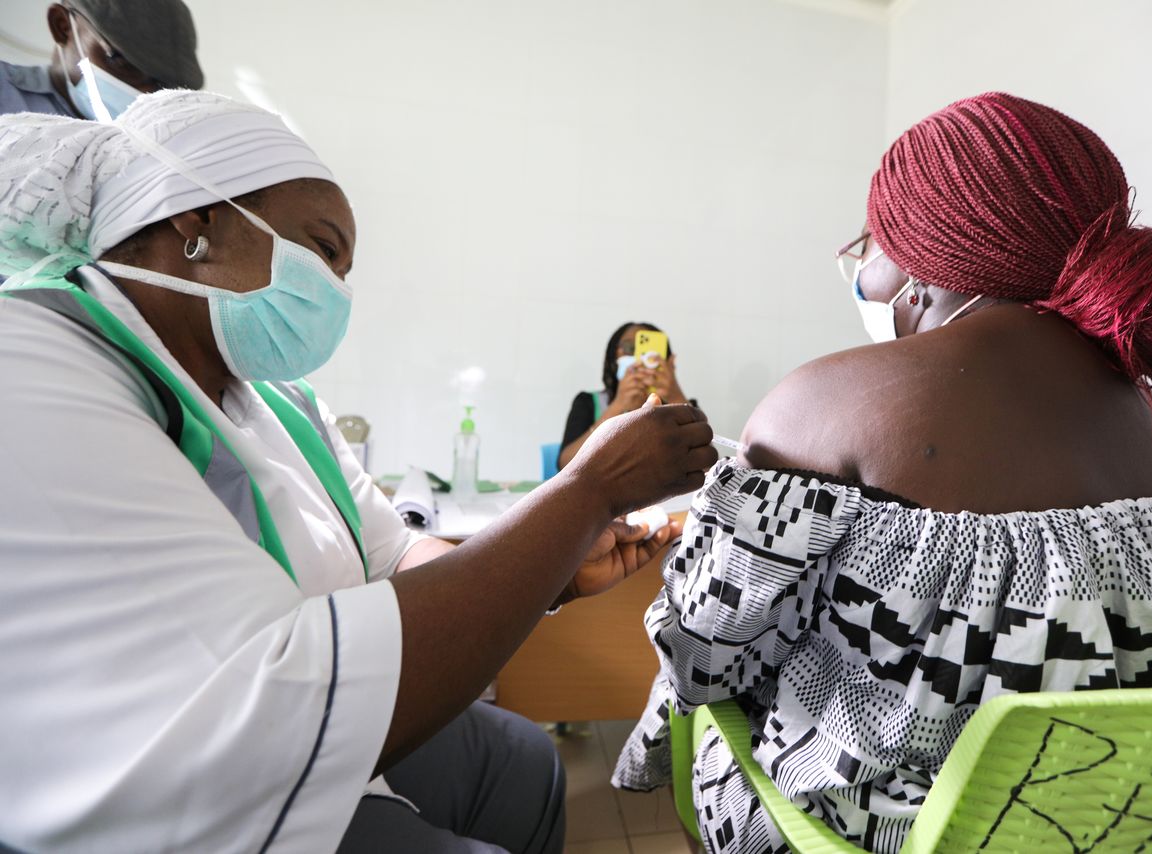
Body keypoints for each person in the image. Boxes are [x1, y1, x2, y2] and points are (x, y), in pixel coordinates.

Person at [0, 91, 716, 853]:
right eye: (323, 249)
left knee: (523, 760)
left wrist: (556, 571)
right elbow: (273, 698)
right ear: (195, 218)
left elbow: (396, 552)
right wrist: (587, 492)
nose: (336, 289)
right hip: (191, 787)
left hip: (302, 708)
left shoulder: (281, 403)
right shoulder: (39, 362)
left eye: (345, 269)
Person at [611, 92, 1152, 853]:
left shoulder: (822, 405)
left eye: (871, 241)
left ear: (921, 264)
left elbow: (702, 655)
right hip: (1138, 831)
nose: (861, 266)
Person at [0, 0, 201, 120]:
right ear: (62, 26)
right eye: (123, 62)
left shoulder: (155, 138)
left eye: (161, 82)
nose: (144, 93)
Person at [558, 321, 696, 469]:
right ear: (615, 357)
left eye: (648, 351)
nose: (639, 357)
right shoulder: (588, 402)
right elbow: (565, 465)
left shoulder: (682, 406)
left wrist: (675, 397)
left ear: (669, 362)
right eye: (630, 348)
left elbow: (706, 464)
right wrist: (618, 405)